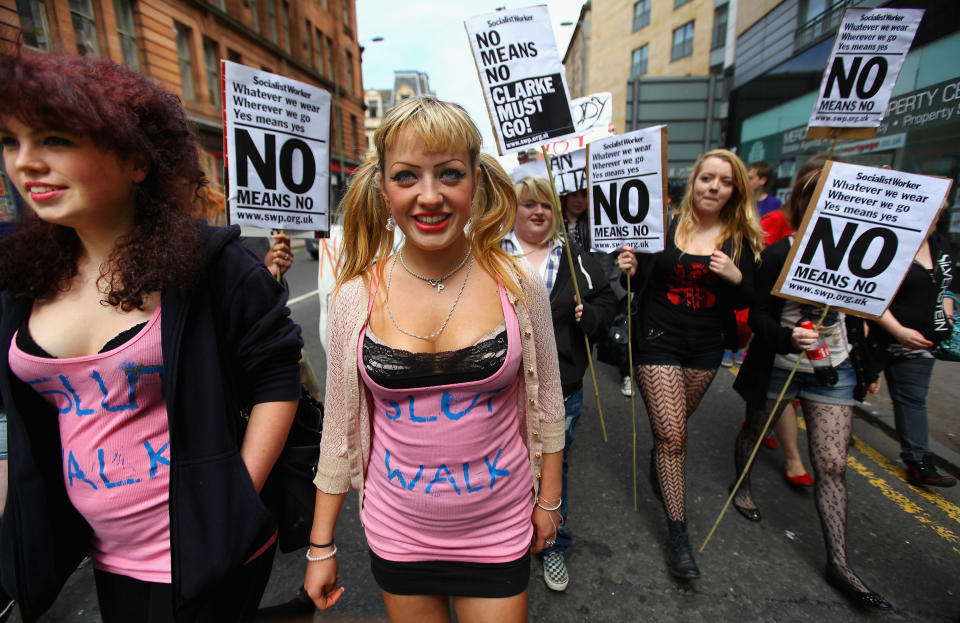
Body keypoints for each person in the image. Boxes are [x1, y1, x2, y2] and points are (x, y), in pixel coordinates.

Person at [0, 55, 303, 621]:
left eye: (55, 139)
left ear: (137, 159)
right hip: (105, 557)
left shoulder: (214, 263)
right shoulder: (21, 278)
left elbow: (277, 377)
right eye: (10, 141)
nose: (26, 163)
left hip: (208, 552)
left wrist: (233, 500)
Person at [303, 97, 564, 622]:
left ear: (475, 181)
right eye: (406, 177)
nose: (429, 196)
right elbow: (338, 429)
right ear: (383, 189)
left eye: (449, 174)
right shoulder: (355, 295)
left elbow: (549, 402)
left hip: (498, 526)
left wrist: (549, 501)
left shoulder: (520, 283)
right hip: (398, 532)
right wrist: (321, 546)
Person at [731, 167, 891, 611]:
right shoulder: (777, 252)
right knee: (754, 430)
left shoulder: (863, 253)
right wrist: (786, 338)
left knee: (833, 464)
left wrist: (870, 365)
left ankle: (839, 562)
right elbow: (757, 315)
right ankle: (741, 487)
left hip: (835, 367)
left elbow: (867, 316)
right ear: (805, 201)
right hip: (779, 364)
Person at [617, 149, 764, 579]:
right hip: (658, 339)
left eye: (724, 181)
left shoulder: (741, 238)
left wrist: (736, 278)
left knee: (673, 433)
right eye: (706, 178)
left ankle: (659, 460)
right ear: (693, 182)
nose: (713, 187)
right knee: (674, 438)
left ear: (735, 189)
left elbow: (751, 302)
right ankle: (679, 537)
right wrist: (627, 268)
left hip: (706, 347)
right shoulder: (662, 224)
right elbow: (638, 277)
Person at [504, 176, 615, 592]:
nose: (538, 212)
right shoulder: (492, 255)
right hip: (503, 388)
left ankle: (553, 543)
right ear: (512, 209)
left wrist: (593, 316)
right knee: (507, 465)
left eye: (546, 206)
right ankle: (507, 541)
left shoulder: (575, 257)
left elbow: (606, 301)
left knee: (554, 465)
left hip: (561, 385)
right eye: (529, 204)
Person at [867, 215, 956, 487]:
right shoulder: (885, 241)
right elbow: (866, 294)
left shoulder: (942, 245)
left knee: (913, 400)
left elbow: (946, 288)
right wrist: (898, 331)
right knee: (849, 393)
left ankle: (919, 463)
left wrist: (946, 318)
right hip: (877, 338)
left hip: (920, 344)